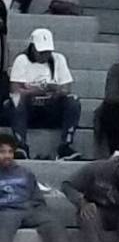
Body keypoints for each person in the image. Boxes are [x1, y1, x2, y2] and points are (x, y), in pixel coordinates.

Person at [0, 133, 86, 242]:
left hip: (30, 208)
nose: (7, 156)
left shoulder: (24, 172)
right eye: (2, 152)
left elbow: (37, 196)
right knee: (5, 224)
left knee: (53, 222)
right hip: (6, 210)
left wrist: (38, 209)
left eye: (10, 152)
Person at [7, 28, 81, 160]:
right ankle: (20, 145)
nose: (44, 56)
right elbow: (15, 90)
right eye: (41, 52)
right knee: (16, 100)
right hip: (29, 109)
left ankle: (65, 146)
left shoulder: (58, 59)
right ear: (33, 48)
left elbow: (67, 88)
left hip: (51, 107)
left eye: (47, 52)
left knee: (73, 100)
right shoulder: (22, 60)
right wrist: (38, 91)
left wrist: (57, 91)